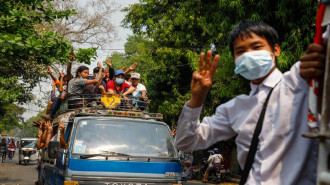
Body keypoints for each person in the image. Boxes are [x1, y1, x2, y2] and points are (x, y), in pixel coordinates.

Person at [174, 21, 324, 184]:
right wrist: (197, 99)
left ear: (276, 50)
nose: (249, 55)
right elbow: (184, 142)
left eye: (257, 47)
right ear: (235, 60)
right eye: (241, 51)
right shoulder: (235, 108)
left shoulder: (299, 81)